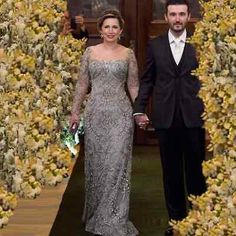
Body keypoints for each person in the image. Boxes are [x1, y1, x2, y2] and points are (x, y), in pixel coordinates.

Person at [134, 0, 206, 235]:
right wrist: (139, 108)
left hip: (194, 117)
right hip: (166, 118)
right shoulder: (155, 46)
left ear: (188, 16)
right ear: (166, 17)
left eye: (181, 14)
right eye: (173, 14)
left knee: (196, 172)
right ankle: (177, 223)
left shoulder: (200, 44)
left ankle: (197, 221)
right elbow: (147, 80)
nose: (177, 18)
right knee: (171, 173)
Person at [69, 9, 139, 236]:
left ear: (121, 31)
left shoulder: (128, 54)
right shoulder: (90, 52)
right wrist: (75, 112)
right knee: (98, 166)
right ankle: (97, 213)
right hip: (96, 114)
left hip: (121, 116)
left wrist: (139, 112)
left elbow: (133, 85)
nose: (110, 31)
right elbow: (81, 84)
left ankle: (116, 218)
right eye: (106, 27)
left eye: (115, 27)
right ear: (100, 30)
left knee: (117, 166)